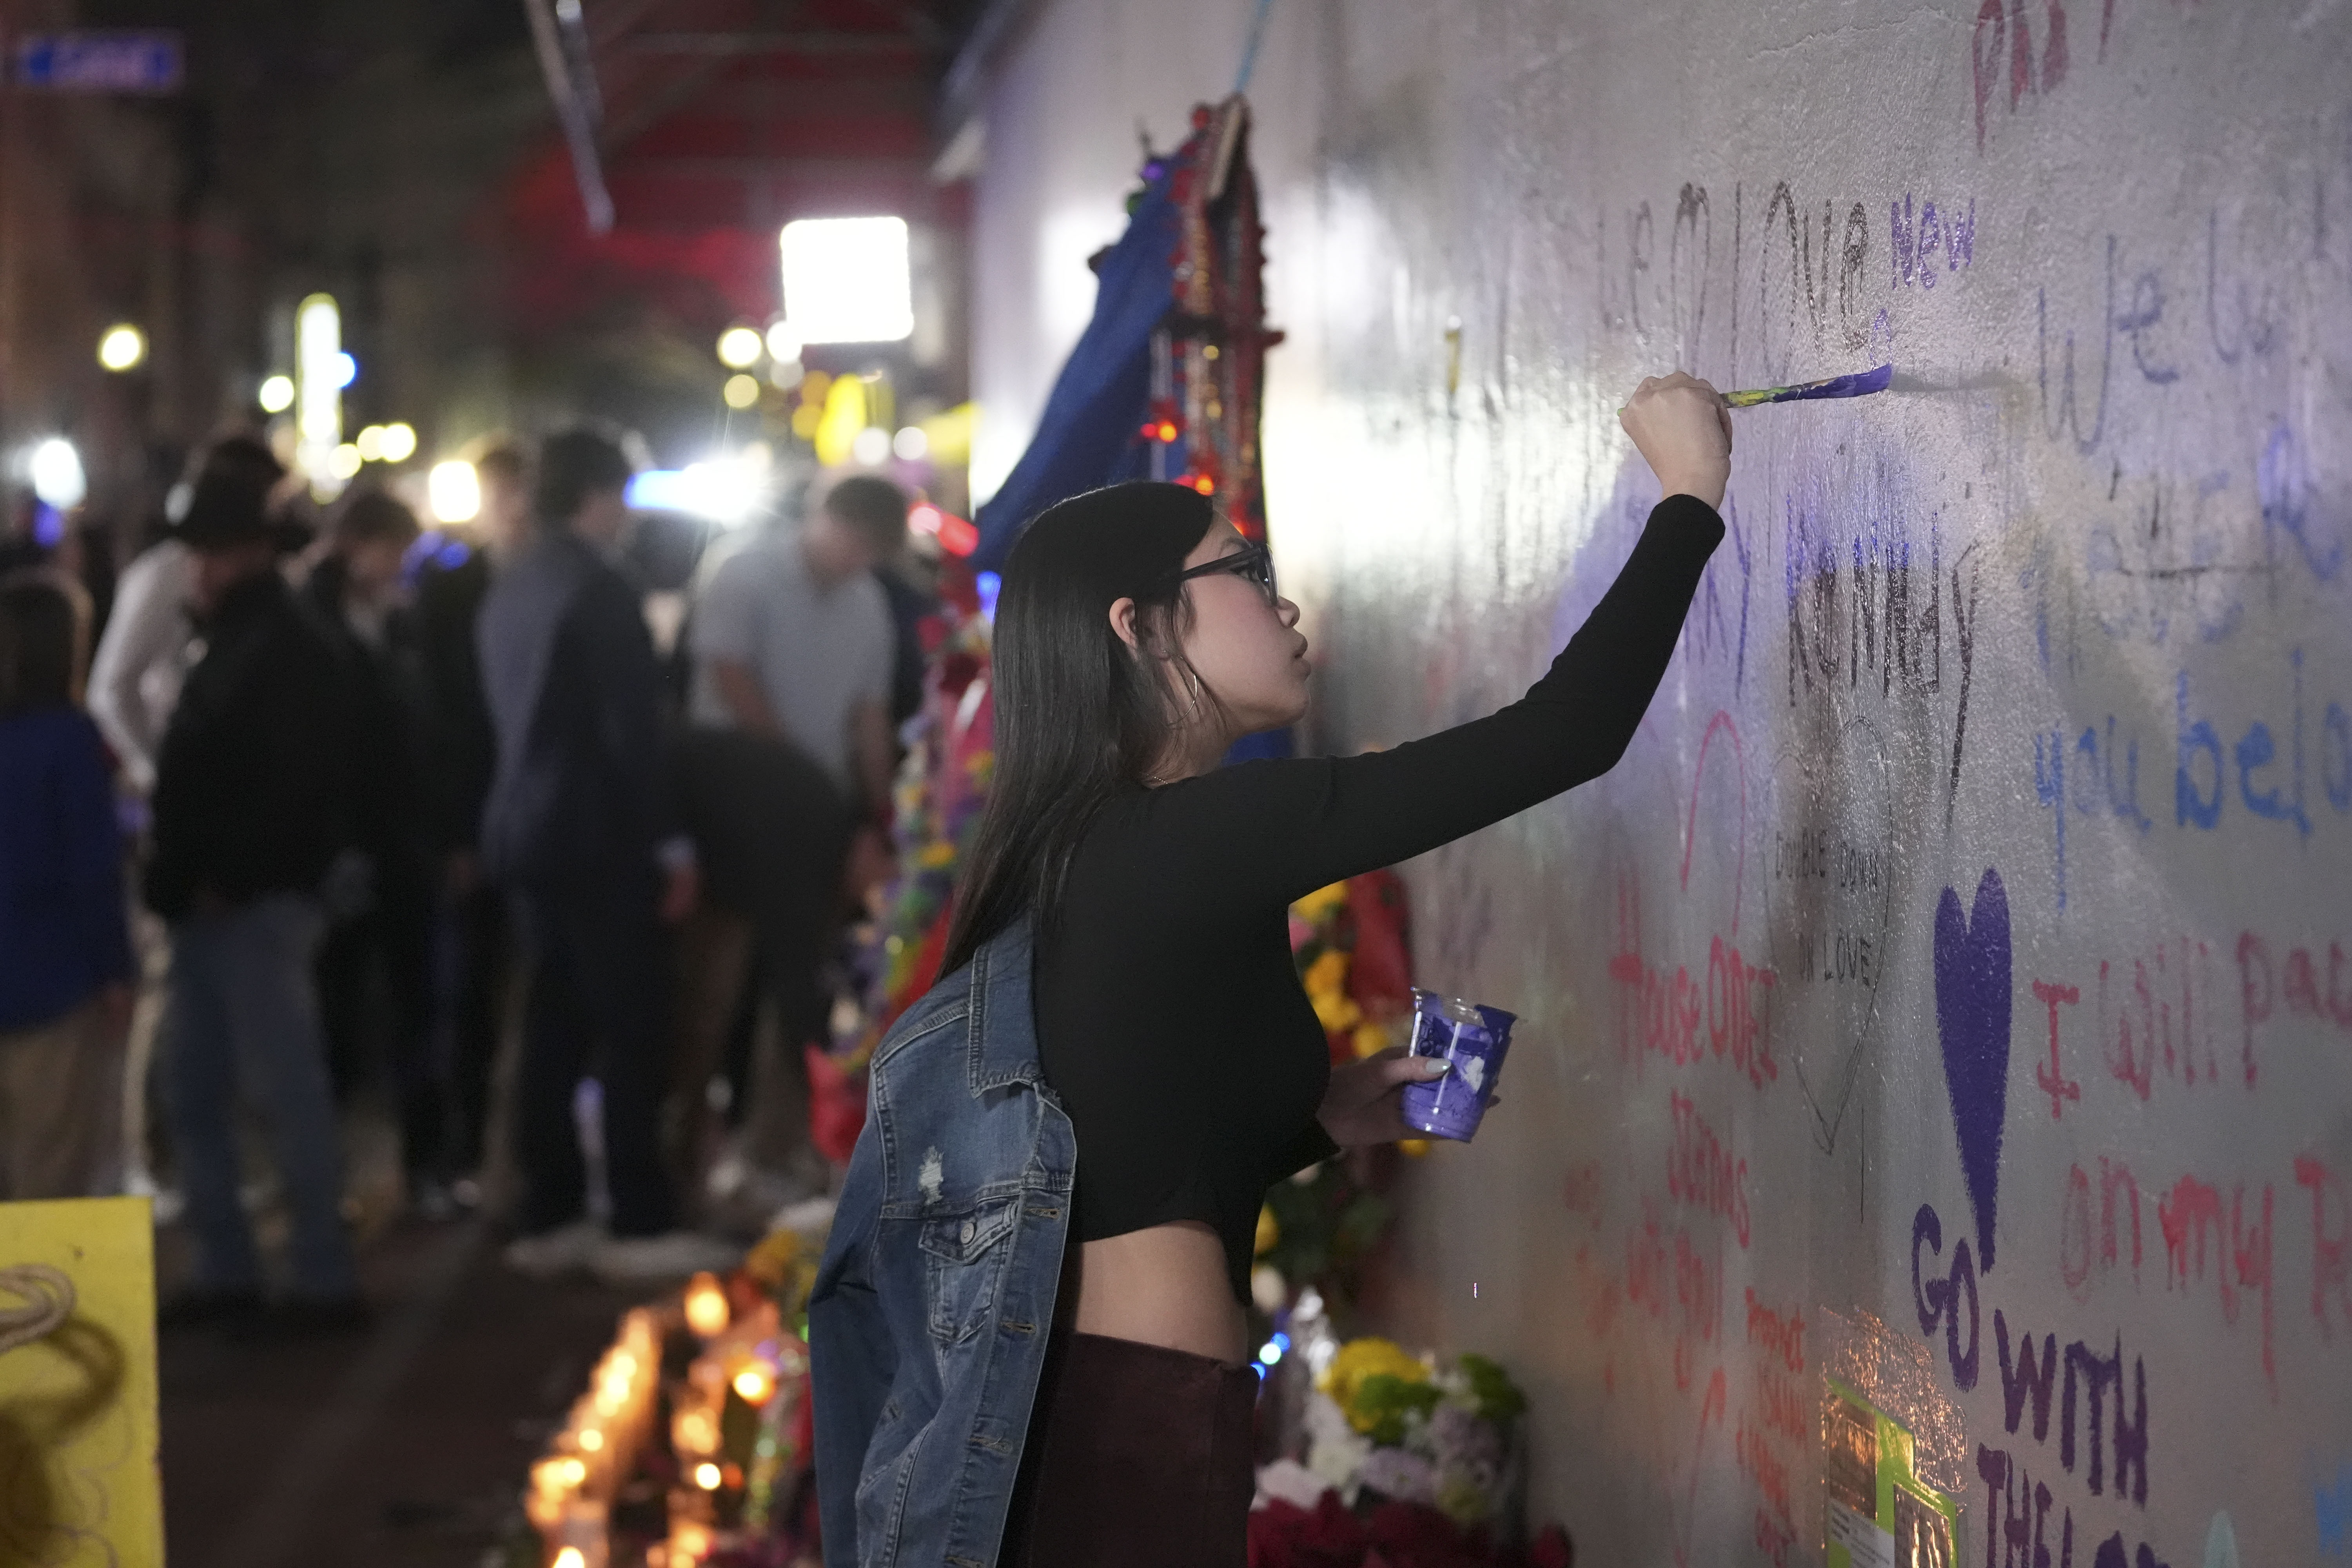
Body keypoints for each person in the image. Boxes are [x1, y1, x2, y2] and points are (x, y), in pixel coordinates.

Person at [810, 374, 1735, 1566]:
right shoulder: (1183, 838)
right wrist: (1688, 495)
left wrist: (1322, 1115)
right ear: (1137, 625)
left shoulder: (1105, 850)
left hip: (1118, 1420)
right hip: (1117, 1437)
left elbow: (1126, 1138)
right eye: (1241, 572)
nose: (1282, 601)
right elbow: (1565, 734)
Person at [478, 426, 732, 1283]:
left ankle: (550, 1206)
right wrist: (671, 840)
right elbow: (634, 731)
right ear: (601, 495)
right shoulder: (602, 588)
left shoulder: (515, 582)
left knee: (553, 1021)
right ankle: (636, 1208)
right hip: (599, 833)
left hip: (527, 826)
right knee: (632, 1022)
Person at [147, 443, 366, 1332]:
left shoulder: (275, 645)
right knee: (200, 1088)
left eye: (210, 552)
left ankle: (317, 1271)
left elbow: (286, 783)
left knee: (277, 1087)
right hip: (226, 896)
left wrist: (223, 875)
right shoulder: (261, 636)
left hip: (248, 901)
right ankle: (240, 1261)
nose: (197, 570)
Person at [673, 474, 904, 1209]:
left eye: (871, 552)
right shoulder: (743, 570)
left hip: (815, 826)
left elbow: (868, 716)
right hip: (731, 804)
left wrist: (876, 813)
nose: (856, 561)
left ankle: (775, 1154)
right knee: (707, 988)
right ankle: (677, 1159)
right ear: (823, 519)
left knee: (800, 987)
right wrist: (792, 774)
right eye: (853, 543)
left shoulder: (868, 602)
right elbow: (728, 675)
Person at [303, 488, 442, 1207]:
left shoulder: (393, 622)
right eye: (394, 554)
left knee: (409, 1005)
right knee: (338, 1016)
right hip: (347, 845)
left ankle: (415, 1167)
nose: (401, 570)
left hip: (399, 844)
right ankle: (330, 1175)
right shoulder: (311, 622)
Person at [412, 441, 528, 1196]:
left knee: (515, 991)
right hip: (477, 813)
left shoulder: (534, 583)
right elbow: (445, 718)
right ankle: (457, 1151)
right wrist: (455, 831)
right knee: (466, 994)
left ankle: (499, 1151)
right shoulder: (453, 587)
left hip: (522, 816)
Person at [0, 570, 134, 1200]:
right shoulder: (68, 740)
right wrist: (116, 970)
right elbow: (91, 869)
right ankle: (43, 1300)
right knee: (51, 1176)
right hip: (50, 979)